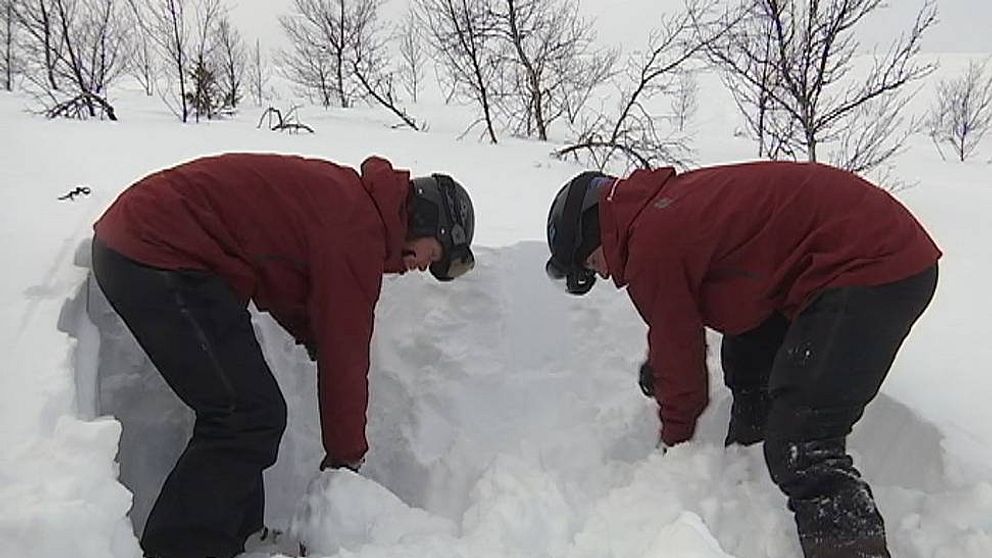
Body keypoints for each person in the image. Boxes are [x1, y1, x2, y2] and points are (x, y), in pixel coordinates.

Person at [544, 161, 940, 558]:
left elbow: (682, 365)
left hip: (871, 265)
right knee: (746, 354)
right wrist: (663, 366)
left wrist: (674, 446)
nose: (605, 272)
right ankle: (746, 471)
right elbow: (683, 326)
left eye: (593, 262)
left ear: (597, 230)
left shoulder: (649, 243)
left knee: (802, 440)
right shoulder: (661, 208)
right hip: (859, 253)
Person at [90, 153, 476, 558]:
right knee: (246, 414)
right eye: (432, 255)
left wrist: (314, 337)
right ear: (425, 220)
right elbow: (346, 352)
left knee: (252, 410)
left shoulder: (354, 206)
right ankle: (181, 549)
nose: (422, 268)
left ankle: (236, 539)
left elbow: (285, 276)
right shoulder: (358, 231)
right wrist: (346, 457)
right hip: (156, 252)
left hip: (159, 246)